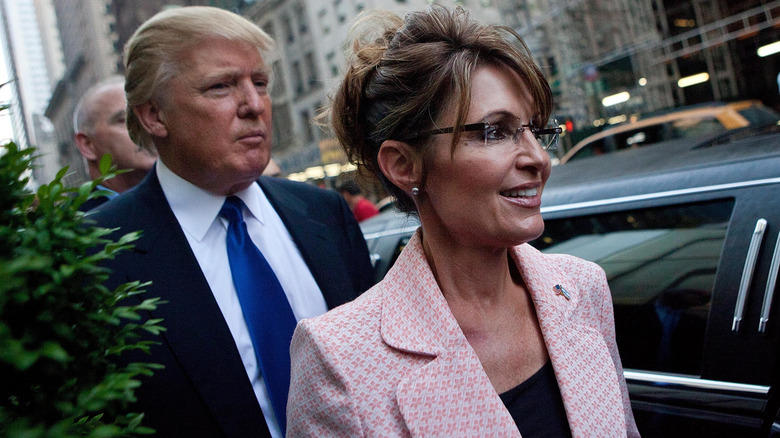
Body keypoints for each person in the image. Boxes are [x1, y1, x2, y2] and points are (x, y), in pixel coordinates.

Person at [287, 6, 639, 437]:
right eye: (495, 131)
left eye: (535, 130)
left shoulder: (582, 289)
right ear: (403, 165)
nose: (538, 159)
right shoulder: (340, 358)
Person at [89, 7, 375, 438]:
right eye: (220, 86)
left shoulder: (323, 213)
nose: (255, 105)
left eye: (259, 83)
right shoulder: (100, 254)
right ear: (154, 115)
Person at [73, 75, 157, 210]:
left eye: (151, 115)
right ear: (87, 145)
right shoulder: (72, 224)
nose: (146, 127)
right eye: (124, 120)